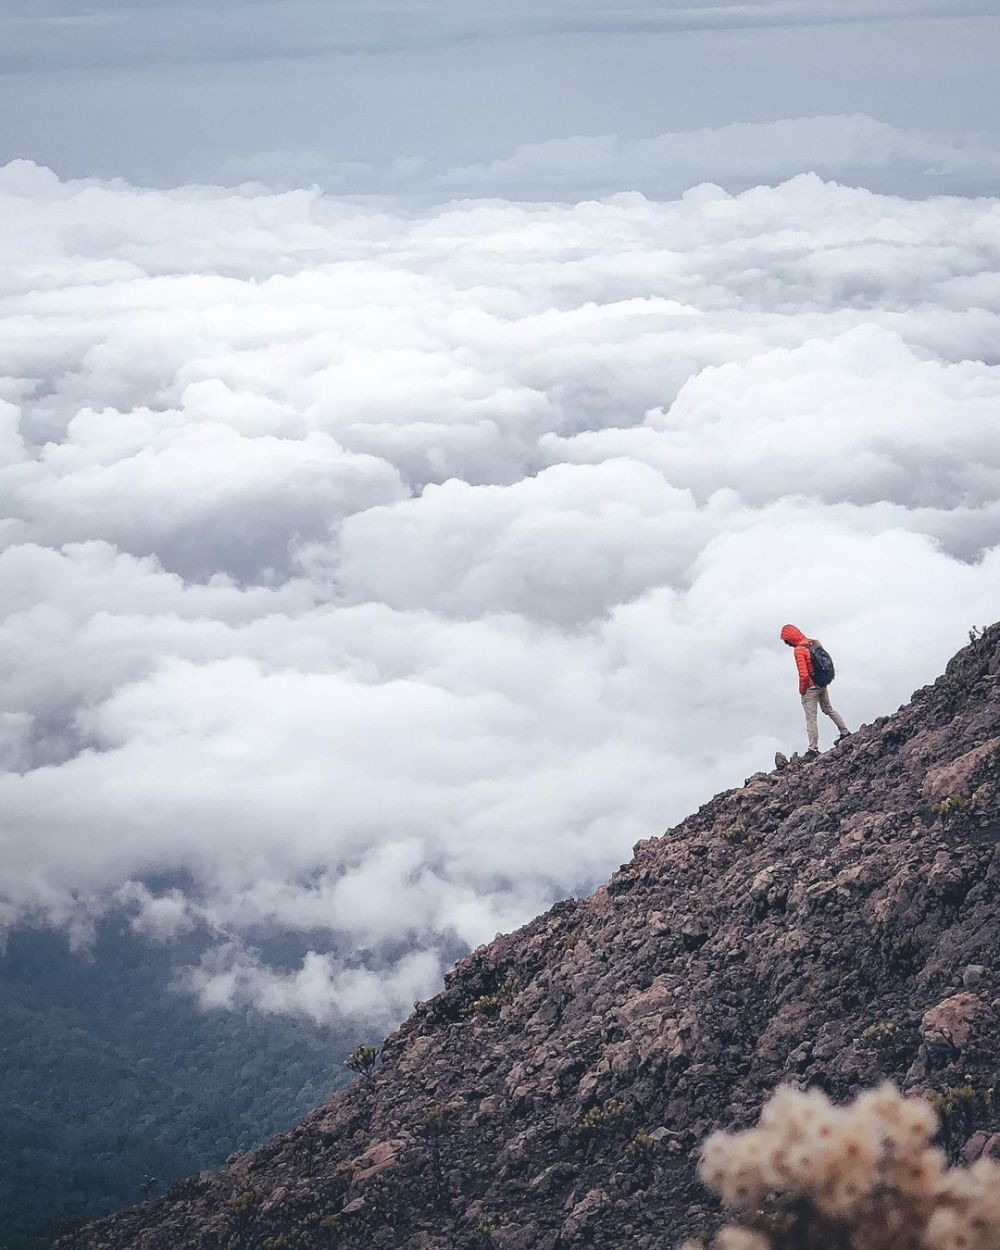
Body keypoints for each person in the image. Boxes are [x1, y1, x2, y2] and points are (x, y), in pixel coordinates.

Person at [780, 624, 850, 759]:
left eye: (786, 640)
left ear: (790, 638)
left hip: (811, 688)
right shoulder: (814, 642)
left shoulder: (799, 650)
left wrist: (802, 691)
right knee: (829, 709)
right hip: (822, 683)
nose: (787, 643)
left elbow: (804, 675)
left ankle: (813, 749)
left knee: (811, 718)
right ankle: (845, 732)